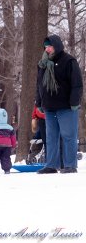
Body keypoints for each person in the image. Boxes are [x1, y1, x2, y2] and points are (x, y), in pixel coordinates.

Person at [36, 35, 83, 174]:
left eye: (50, 46)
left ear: (57, 45)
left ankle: (70, 165)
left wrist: (74, 102)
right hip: (49, 107)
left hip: (67, 106)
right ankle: (51, 164)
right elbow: (39, 85)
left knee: (68, 136)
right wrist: (39, 102)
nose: (47, 49)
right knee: (51, 137)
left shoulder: (69, 61)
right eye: (45, 46)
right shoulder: (43, 64)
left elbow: (77, 84)